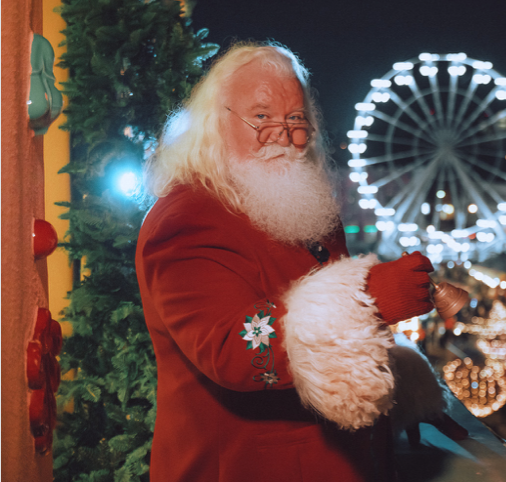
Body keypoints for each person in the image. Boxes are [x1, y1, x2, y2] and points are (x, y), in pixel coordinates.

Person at [137, 43, 450, 482]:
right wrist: (368, 297)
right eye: (261, 116)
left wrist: (399, 382)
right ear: (214, 122)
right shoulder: (186, 218)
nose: (282, 134)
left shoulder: (307, 208)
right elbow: (229, 350)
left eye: (296, 119)